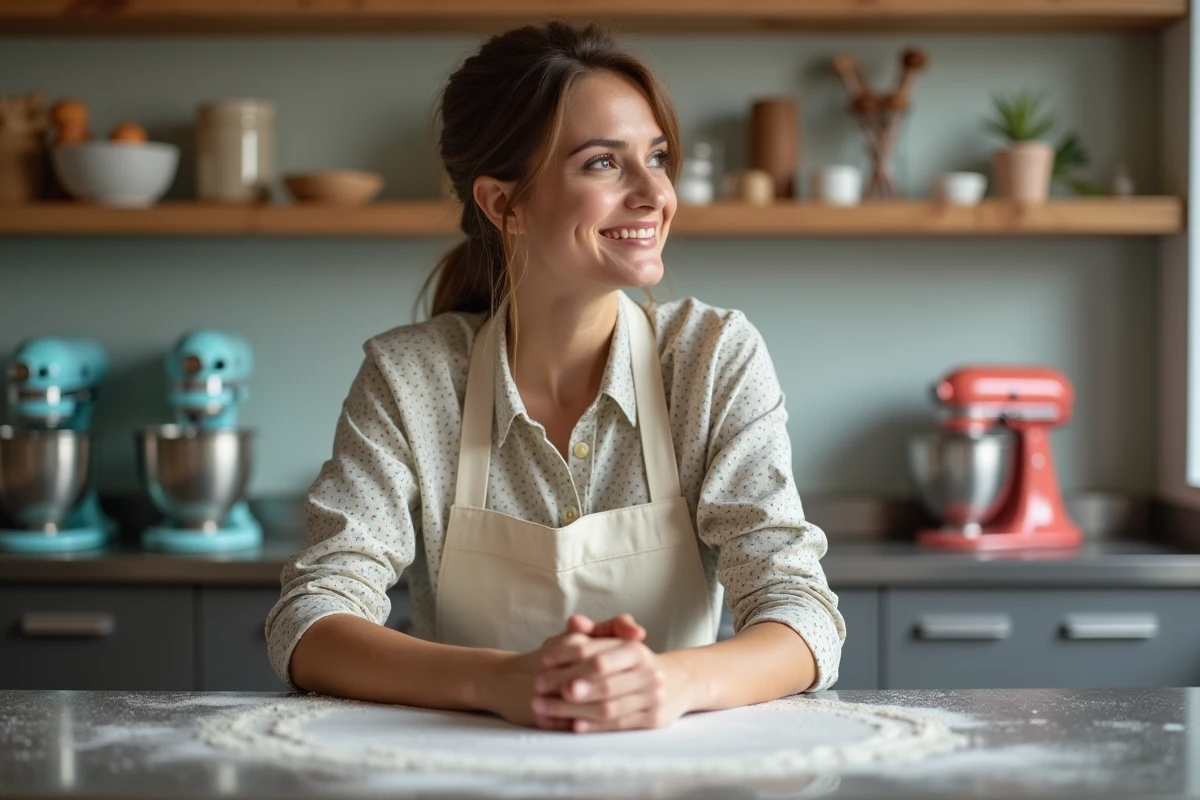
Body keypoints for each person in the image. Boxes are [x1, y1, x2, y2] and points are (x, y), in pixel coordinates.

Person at [265, 21, 845, 734]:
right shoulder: (412, 377)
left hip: (673, 769)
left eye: (656, 157)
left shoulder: (711, 358)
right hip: (464, 769)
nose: (654, 194)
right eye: (603, 163)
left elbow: (802, 614)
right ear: (502, 204)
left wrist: (669, 681)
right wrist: (500, 680)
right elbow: (311, 618)